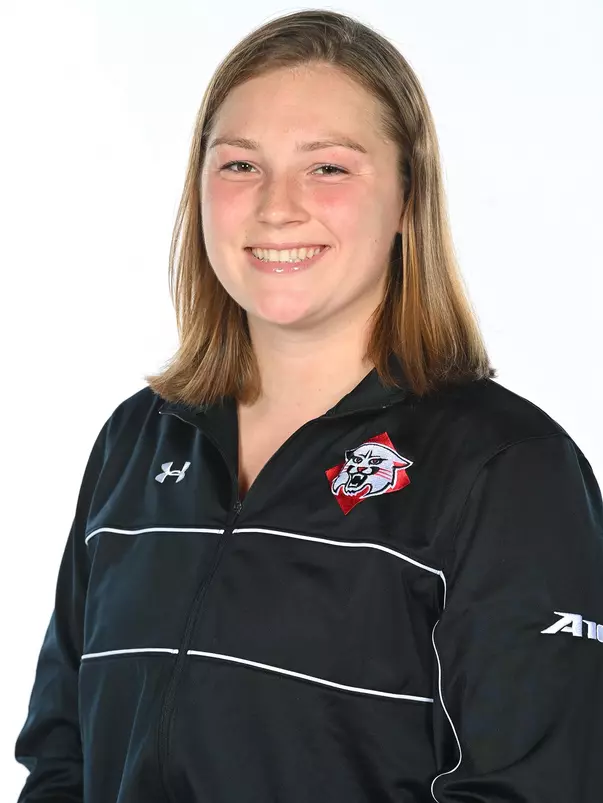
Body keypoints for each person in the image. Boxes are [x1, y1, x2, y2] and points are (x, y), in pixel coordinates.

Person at [14, 9, 603, 803]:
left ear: (405, 200)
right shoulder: (135, 440)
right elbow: (62, 758)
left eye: (327, 168)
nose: (276, 207)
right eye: (239, 166)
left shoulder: (506, 469)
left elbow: (533, 788)